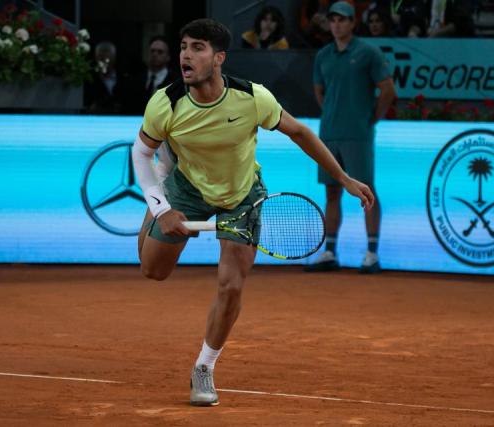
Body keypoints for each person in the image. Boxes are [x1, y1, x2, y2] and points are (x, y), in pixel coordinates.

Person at [133, 18, 374, 407]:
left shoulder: (252, 97)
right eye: (183, 48)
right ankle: (155, 206)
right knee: (153, 270)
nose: (185, 56)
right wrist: (160, 209)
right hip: (187, 188)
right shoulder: (166, 102)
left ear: (219, 58)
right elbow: (140, 153)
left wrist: (343, 178)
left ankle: (204, 367)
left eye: (197, 48)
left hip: (243, 195)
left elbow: (299, 132)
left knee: (231, 285)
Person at [306, 1, 395, 274]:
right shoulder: (323, 55)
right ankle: (330, 252)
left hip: (358, 134)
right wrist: (332, 115)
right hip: (329, 134)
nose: (337, 25)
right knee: (331, 191)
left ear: (353, 23)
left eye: (342, 20)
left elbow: (387, 90)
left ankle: (371, 254)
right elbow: (320, 91)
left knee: (365, 190)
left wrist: (369, 120)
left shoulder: (369, 52)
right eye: (333, 20)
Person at [125, 36, 179, 115]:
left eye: (160, 52)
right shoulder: (135, 80)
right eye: (152, 51)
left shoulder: (176, 82)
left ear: (168, 57)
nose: (155, 54)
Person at [84, 41, 126, 114]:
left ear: (114, 58)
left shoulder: (124, 79)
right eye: (101, 59)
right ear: (96, 58)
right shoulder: (89, 80)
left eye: (107, 59)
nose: (104, 63)